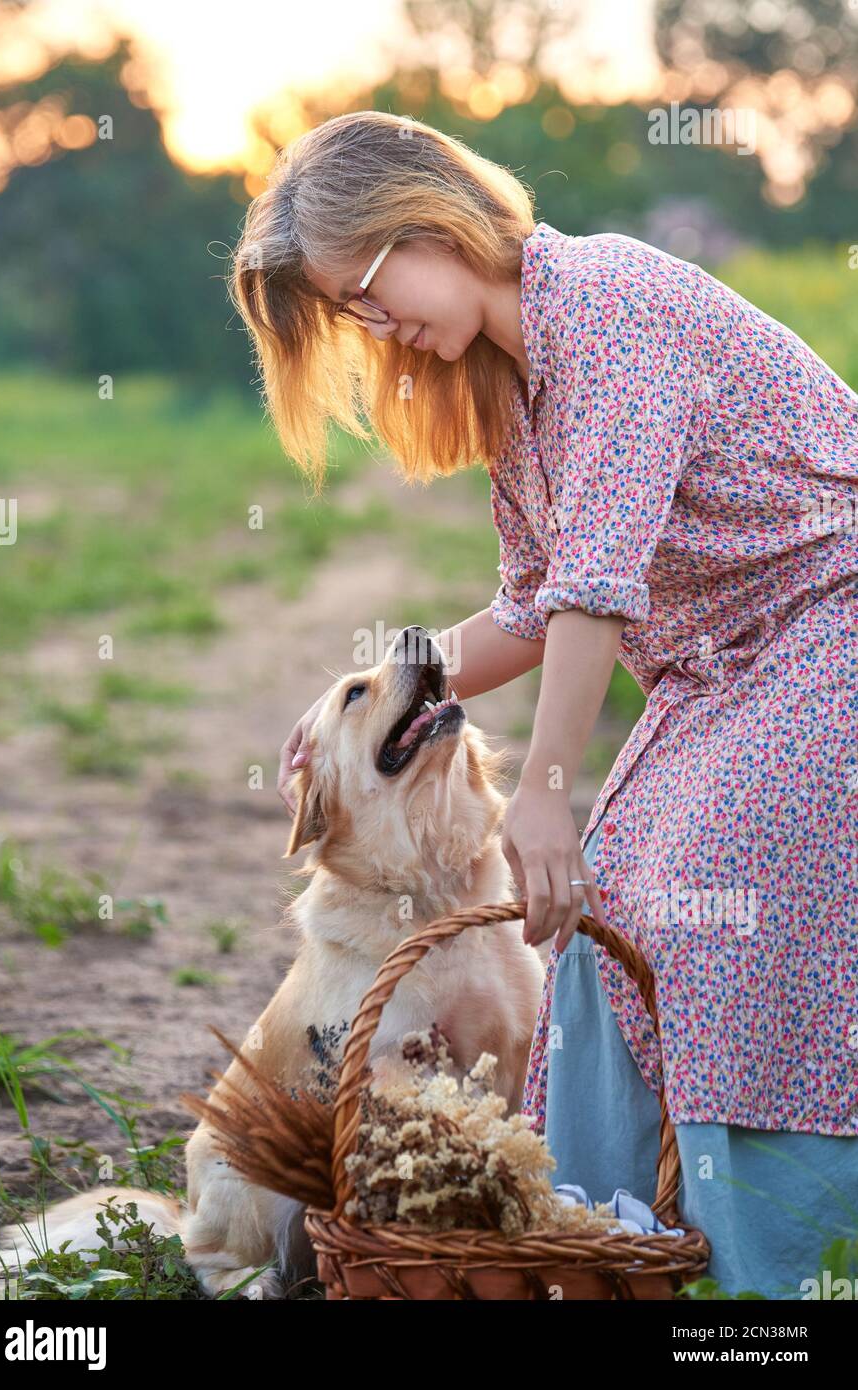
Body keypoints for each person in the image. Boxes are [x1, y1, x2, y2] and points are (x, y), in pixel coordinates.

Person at [231, 109, 858, 1297]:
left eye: (365, 288)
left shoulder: (607, 305)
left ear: (433, 222)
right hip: (723, 670)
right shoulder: (515, 390)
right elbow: (530, 608)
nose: (376, 326)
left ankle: (775, 1274)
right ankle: (590, 1243)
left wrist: (549, 790)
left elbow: (596, 589)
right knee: (587, 909)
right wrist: (352, 709)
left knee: (712, 909)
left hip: (833, 620)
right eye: (348, 316)